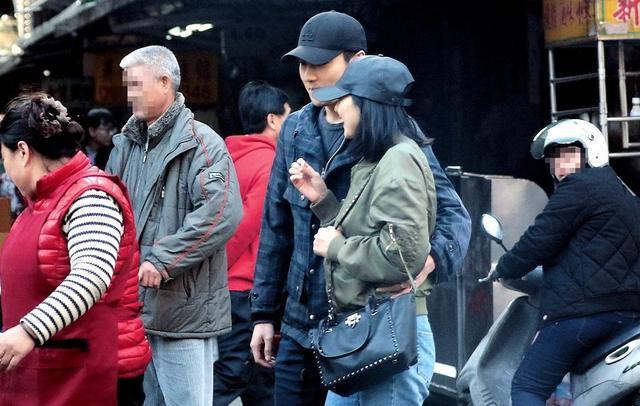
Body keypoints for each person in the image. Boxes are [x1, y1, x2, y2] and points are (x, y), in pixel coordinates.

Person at [250, 10, 471, 404]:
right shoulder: (295, 130)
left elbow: (453, 217)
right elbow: (276, 227)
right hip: (300, 327)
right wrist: (263, 314)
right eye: (303, 64)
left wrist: (424, 264)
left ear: (358, 60)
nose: (309, 75)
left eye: (320, 63)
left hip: (366, 326)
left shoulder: (393, 135)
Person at [289, 55, 436, 405]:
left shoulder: (398, 158)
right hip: (366, 334)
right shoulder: (377, 158)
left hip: (390, 335)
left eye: (343, 101)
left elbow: (402, 257)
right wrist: (324, 201)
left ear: (367, 106)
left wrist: (338, 248)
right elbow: (371, 232)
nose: (337, 111)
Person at [106, 45, 242, 406]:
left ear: (165, 82)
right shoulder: (126, 145)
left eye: (136, 85)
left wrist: (164, 259)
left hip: (183, 311)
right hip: (135, 308)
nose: (129, 95)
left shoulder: (201, 143)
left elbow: (221, 212)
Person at [0, 93, 150, 405]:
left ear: (23, 152)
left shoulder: (91, 196)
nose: (7, 168)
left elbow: (92, 275)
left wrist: (28, 331)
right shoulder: (37, 205)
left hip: (92, 373)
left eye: (5, 158)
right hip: (48, 371)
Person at [488, 119, 640, 405]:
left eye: (569, 155)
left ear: (591, 154)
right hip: (628, 313)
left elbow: (538, 240)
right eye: (555, 158)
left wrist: (505, 267)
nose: (560, 165)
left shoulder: (579, 188)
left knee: (527, 386)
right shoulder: (623, 195)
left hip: (584, 313)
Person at [215, 80, 290, 405]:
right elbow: (246, 226)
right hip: (248, 291)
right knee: (236, 375)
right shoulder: (270, 163)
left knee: (259, 382)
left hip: (228, 290)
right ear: (272, 120)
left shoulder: (224, 157)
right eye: (288, 116)